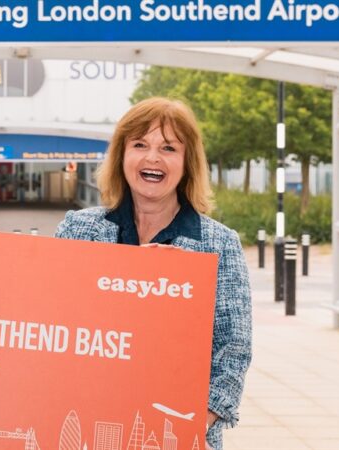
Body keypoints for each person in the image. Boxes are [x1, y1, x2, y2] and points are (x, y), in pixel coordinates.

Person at [55, 97, 251, 450]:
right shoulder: (77, 229)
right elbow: (48, 323)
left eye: (169, 147)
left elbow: (233, 351)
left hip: (178, 435)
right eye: (140, 144)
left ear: (186, 162)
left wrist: (191, 427)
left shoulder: (219, 244)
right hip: (87, 428)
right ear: (122, 156)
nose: (153, 158)